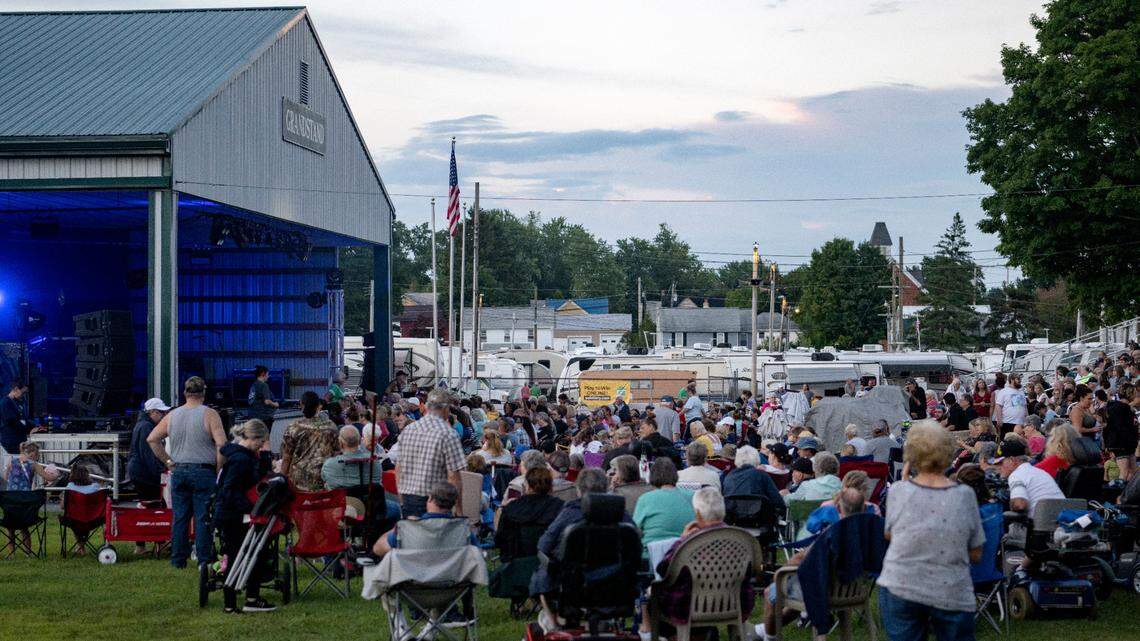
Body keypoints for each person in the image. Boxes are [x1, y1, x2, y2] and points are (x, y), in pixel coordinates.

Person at [876, 420, 984, 641]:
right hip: (950, 587)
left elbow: (890, 534)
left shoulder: (898, 491)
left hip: (901, 584)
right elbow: (976, 553)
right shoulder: (964, 495)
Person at [754, 487, 867, 641]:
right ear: (864, 507)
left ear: (839, 508)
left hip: (823, 591)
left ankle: (769, 637)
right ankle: (764, 630)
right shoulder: (869, 532)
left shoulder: (832, 533)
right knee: (797, 590)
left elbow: (801, 559)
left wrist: (779, 574)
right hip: (854, 590)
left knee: (771, 591)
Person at [146, 376, 227, 569]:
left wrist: (168, 462)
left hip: (179, 470)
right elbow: (222, 443)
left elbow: (152, 439)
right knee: (202, 517)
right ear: (203, 393)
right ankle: (204, 560)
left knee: (180, 517)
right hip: (203, 470)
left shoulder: (172, 415)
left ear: (184, 393)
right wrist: (217, 467)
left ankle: (177, 560)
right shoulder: (210, 414)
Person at [653, 487, 754, 635]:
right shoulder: (741, 540)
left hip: (688, 606)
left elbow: (664, 569)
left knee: (653, 600)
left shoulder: (688, 543)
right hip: (734, 602)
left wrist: (682, 538)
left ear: (698, 514)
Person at [213, 420, 275, 613]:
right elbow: (230, 489)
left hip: (231, 512)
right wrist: (250, 508)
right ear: (254, 438)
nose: (262, 445)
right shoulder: (241, 460)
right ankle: (236, 602)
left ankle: (245, 599)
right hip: (235, 514)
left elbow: (258, 475)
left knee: (245, 554)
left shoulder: (239, 455)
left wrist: (264, 455)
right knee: (243, 555)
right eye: (262, 442)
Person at [394, 388, 465, 518]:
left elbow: (399, 468)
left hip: (409, 498)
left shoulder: (408, 430)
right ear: (446, 408)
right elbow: (454, 476)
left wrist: (402, 498)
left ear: (427, 406)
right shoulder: (448, 434)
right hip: (437, 501)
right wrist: (459, 509)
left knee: (412, 537)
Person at [372, 482, 473, 558]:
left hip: (415, 579)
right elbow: (476, 553)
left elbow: (378, 549)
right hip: (452, 580)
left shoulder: (409, 527)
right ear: (454, 503)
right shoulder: (463, 529)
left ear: (430, 499)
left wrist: (398, 527)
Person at [495, 466, 564, 561]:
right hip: (550, 562)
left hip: (518, 562)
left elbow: (500, 540)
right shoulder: (560, 507)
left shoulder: (511, 508)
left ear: (527, 486)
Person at [279, 391, 339, 492]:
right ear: (318, 406)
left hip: (299, 482)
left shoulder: (294, 427)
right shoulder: (331, 426)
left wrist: (281, 478)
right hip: (324, 479)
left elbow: (287, 457)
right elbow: (337, 452)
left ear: (301, 404)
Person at [993, 438, 1063, 518]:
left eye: (1000, 463)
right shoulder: (1039, 472)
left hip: (1044, 526)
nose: (997, 467)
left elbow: (1020, 505)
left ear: (1012, 460)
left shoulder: (1016, 475)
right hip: (1062, 522)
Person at [633, 458, 695, 545]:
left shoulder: (645, 499)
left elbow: (635, 531)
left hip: (651, 554)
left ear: (652, 476)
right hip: (685, 552)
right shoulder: (693, 496)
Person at [721, 445, 785, 517]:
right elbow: (777, 500)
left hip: (733, 521)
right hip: (758, 520)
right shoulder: (762, 475)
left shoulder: (729, 476)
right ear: (756, 460)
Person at [128, 398, 169, 502]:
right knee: (152, 502)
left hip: (140, 472)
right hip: (144, 474)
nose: (163, 415)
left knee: (148, 502)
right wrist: (160, 473)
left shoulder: (143, 424)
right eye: (161, 412)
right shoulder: (146, 427)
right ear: (152, 412)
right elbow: (148, 455)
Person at [1104, 383, 1138, 480]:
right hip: (1121, 444)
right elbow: (1117, 427)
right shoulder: (1120, 408)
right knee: (1124, 473)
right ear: (1130, 394)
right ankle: (1118, 494)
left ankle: (1129, 493)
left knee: (1133, 472)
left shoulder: (1124, 408)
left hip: (1127, 444)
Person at [0, 381, 39, 455]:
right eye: (23, 392)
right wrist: (26, 425)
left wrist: (33, 425)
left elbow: (23, 419)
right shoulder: (5, 403)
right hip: (11, 442)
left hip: (19, 441)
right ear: (16, 389)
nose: (23, 395)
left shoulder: (18, 403)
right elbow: (13, 421)